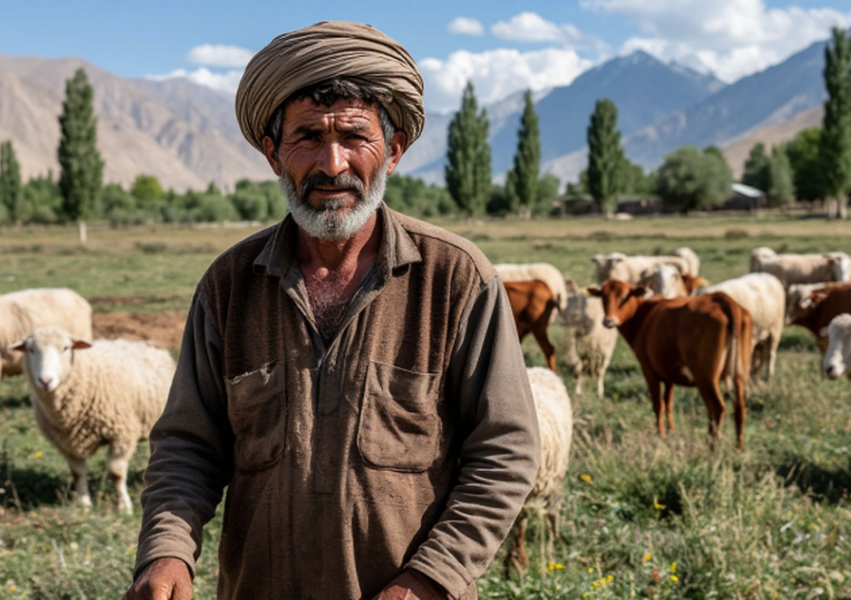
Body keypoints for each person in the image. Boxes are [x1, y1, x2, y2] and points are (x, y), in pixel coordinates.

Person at [124, 21, 540, 600]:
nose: (333, 163)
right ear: (273, 154)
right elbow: (187, 446)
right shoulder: (229, 285)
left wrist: (429, 580)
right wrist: (167, 553)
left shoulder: (456, 278)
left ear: (392, 151)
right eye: (308, 137)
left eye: (354, 136)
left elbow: (506, 450)